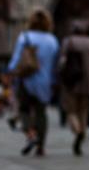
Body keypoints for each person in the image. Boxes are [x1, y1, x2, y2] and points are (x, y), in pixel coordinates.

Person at [8, 9, 60, 156]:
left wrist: (10, 71)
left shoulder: (25, 37)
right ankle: (41, 147)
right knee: (41, 113)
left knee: (23, 109)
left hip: (26, 80)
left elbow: (15, 61)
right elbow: (56, 63)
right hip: (45, 83)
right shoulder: (52, 40)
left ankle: (31, 135)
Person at [58, 21, 89, 155]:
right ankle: (82, 134)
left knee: (71, 111)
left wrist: (60, 75)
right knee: (83, 111)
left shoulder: (68, 41)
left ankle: (77, 130)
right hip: (88, 84)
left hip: (71, 83)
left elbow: (62, 62)